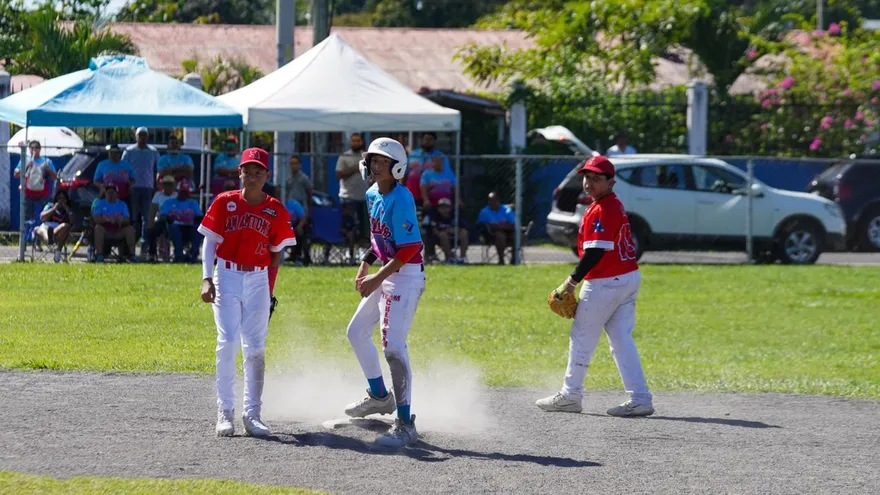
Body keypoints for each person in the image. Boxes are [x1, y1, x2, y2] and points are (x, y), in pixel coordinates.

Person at [535, 156, 653, 417]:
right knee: (621, 339)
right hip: (627, 278)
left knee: (581, 337)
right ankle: (640, 397)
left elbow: (595, 252)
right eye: (587, 177)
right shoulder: (610, 203)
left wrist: (570, 283)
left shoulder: (603, 208)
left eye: (597, 178)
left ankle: (570, 395)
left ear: (611, 181)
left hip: (605, 282)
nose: (589, 182)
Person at [198, 147, 296, 438]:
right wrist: (206, 278)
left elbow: (276, 253)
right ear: (239, 172)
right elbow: (210, 243)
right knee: (227, 342)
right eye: (247, 171)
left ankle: (252, 414)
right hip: (226, 274)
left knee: (255, 348)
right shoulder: (224, 202)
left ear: (267, 175)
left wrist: (269, 290)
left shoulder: (275, 209)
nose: (251, 177)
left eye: (258, 172)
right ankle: (225, 411)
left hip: (258, 279)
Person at [344, 137, 425, 448]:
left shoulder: (402, 198)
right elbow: (380, 239)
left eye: (382, 160)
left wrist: (376, 278)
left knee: (393, 347)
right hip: (386, 271)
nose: (375, 164)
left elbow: (408, 248)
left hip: (405, 277)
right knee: (356, 332)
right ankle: (380, 396)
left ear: (397, 167)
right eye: (372, 160)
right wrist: (365, 264)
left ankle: (405, 423)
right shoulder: (371, 194)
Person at [122, 127, 161, 246]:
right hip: (133, 187)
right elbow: (123, 169)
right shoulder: (129, 151)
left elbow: (157, 169)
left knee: (147, 216)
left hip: (148, 187)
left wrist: (156, 184)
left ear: (147, 137)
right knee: (133, 216)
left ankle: (145, 242)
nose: (142, 137)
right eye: (140, 135)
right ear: (136, 136)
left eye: (144, 135)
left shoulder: (153, 151)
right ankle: (132, 241)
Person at [91, 184, 138, 263]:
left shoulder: (122, 204)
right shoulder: (99, 203)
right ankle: (99, 255)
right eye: (108, 192)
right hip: (105, 231)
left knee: (130, 229)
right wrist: (107, 220)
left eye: (112, 192)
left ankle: (132, 255)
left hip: (118, 230)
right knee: (98, 228)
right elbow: (96, 218)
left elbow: (127, 219)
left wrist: (119, 219)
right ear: (105, 193)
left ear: (116, 194)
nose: (110, 194)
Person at [159, 180, 203, 263]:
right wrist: (170, 219)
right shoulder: (169, 202)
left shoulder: (193, 203)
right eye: (182, 191)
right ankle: (179, 255)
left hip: (189, 227)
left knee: (198, 228)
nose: (183, 194)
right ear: (178, 191)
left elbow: (199, 216)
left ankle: (193, 254)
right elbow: (163, 216)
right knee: (174, 227)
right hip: (174, 227)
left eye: (185, 192)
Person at [336, 133, 369, 244]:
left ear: (361, 142)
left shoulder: (366, 156)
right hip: (348, 196)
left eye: (358, 141)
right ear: (350, 142)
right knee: (348, 225)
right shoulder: (344, 156)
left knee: (363, 227)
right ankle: (347, 247)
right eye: (354, 141)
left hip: (363, 197)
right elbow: (339, 174)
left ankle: (361, 247)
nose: (356, 143)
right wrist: (355, 168)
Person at [14, 141, 57, 222]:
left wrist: (48, 169)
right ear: (29, 149)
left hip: (43, 193)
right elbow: (16, 175)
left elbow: (55, 177)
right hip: (28, 193)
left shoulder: (46, 161)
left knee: (45, 215)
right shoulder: (25, 160)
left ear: (40, 149)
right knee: (27, 218)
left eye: (36, 147)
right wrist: (26, 166)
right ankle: (27, 233)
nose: (34, 150)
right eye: (32, 147)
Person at [145, 175, 178, 262]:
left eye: (170, 184)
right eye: (166, 184)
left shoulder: (177, 196)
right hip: (161, 220)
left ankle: (177, 254)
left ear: (173, 185)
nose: (168, 186)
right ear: (162, 185)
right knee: (151, 231)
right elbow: (153, 210)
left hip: (175, 222)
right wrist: (150, 224)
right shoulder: (158, 195)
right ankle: (152, 254)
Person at [477, 192, 516, 265]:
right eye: (490, 200)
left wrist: (499, 226)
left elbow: (513, 224)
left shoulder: (507, 210)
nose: (491, 202)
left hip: (509, 232)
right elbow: (482, 225)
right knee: (500, 236)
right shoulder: (484, 212)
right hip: (491, 235)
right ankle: (501, 260)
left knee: (517, 236)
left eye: (494, 200)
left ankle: (514, 259)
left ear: (498, 200)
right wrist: (501, 225)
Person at [425, 197, 468, 264]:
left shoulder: (455, 215)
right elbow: (434, 230)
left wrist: (454, 230)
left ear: (450, 208)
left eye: (446, 207)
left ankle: (462, 257)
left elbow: (462, 227)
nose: (444, 209)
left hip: (455, 237)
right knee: (443, 235)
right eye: (441, 207)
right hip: (440, 239)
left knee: (464, 233)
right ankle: (449, 258)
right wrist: (445, 232)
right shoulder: (435, 216)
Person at [93, 143, 136, 209]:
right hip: (107, 196)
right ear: (109, 154)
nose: (114, 155)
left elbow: (133, 179)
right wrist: (101, 186)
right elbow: (96, 180)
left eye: (116, 153)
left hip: (124, 196)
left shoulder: (126, 165)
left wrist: (131, 185)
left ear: (119, 154)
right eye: (111, 153)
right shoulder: (102, 165)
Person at [38, 189, 74, 263]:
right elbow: (42, 217)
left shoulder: (69, 209)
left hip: (59, 229)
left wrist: (67, 209)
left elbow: (73, 222)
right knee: (39, 229)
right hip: (46, 226)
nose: (61, 200)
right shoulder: (50, 205)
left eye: (63, 198)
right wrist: (53, 209)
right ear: (56, 199)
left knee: (66, 226)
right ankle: (49, 239)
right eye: (59, 198)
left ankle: (57, 251)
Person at [284, 197, 308, 266]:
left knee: (300, 231)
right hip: (279, 228)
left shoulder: (293, 204)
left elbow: (303, 217)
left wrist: (299, 226)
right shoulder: (273, 203)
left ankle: (297, 257)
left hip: (292, 227)